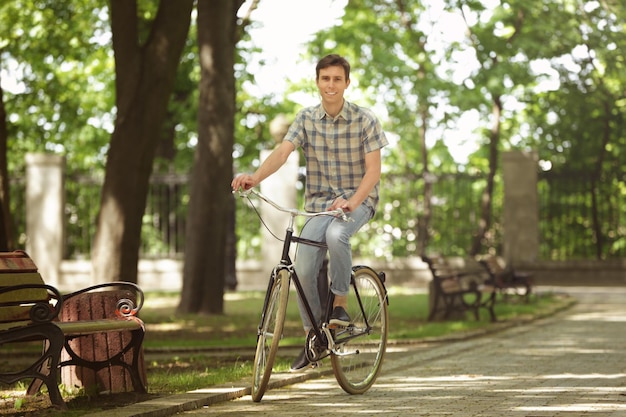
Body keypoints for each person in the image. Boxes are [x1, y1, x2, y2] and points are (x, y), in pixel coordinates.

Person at [231, 54, 388, 372]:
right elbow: (282, 152)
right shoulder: (305, 119)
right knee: (302, 267)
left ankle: (340, 307)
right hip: (318, 206)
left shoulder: (365, 119)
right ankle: (313, 339)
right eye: (325, 78)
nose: (331, 85)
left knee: (336, 233)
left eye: (337, 79)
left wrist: (352, 202)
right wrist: (255, 178)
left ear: (347, 83)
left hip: (358, 201)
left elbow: (373, 172)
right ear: (317, 82)